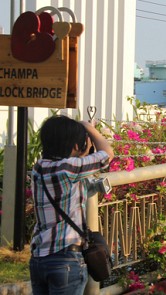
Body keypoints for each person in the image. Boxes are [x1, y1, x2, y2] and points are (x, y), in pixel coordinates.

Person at [29, 115, 114, 295]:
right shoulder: (68, 168)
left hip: (39, 259)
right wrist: (89, 128)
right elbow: (107, 154)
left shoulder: (39, 167)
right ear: (76, 145)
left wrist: (81, 148)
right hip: (66, 259)